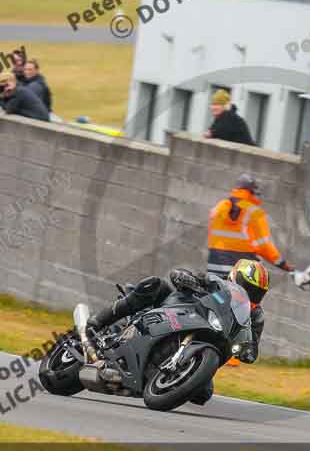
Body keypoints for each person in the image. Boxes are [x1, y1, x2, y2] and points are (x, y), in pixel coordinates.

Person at [85, 260, 271, 404]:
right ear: (235, 276)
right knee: (155, 285)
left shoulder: (255, 316)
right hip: (179, 314)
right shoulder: (216, 283)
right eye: (249, 288)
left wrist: (247, 349)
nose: (251, 294)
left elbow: (252, 350)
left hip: (212, 342)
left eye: (257, 292)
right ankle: (99, 322)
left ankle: (157, 381)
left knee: (203, 394)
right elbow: (183, 275)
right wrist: (185, 278)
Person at [207, 173, 294, 278]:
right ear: (252, 191)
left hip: (215, 267)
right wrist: (283, 264)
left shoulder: (218, 207)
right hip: (240, 272)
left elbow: (212, 237)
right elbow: (264, 246)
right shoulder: (254, 212)